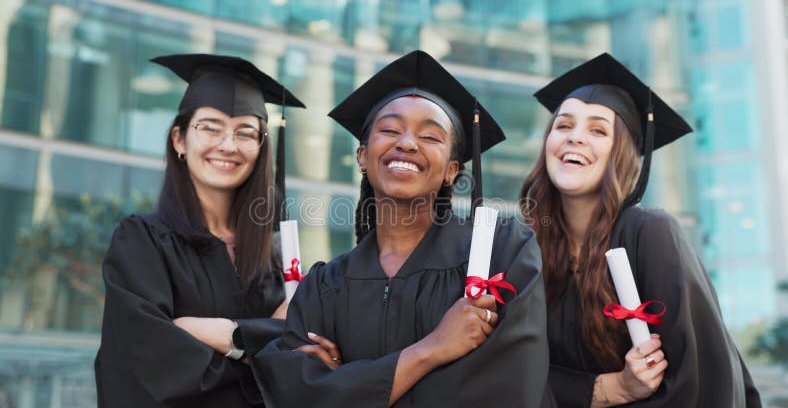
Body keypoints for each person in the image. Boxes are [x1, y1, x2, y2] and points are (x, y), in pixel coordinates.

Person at [250, 50, 553, 407]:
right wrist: (431, 350)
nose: (407, 143)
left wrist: (347, 385)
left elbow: (507, 388)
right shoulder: (324, 287)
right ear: (363, 157)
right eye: (390, 130)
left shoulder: (504, 253)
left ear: (452, 170)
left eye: (430, 137)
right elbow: (293, 395)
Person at [519, 53, 761, 407]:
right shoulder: (527, 248)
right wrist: (611, 388)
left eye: (598, 130)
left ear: (624, 155)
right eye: (563, 125)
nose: (575, 138)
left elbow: (702, 378)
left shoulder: (649, 234)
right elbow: (511, 375)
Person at [94, 54, 305, 407]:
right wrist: (263, 348)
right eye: (210, 127)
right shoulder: (143, 242)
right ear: (179, 139)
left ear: (260, 147)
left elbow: (306, 356)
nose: (228, 145)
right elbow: (151, 365)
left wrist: (229, 337)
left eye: (245, 132)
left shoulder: (276, 259)